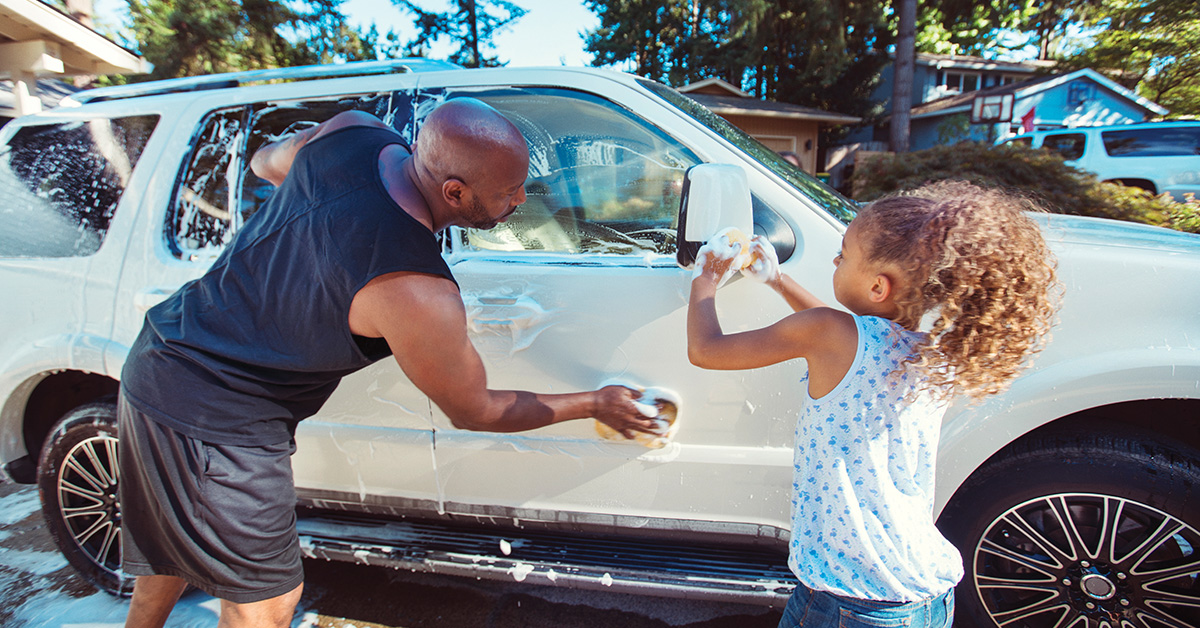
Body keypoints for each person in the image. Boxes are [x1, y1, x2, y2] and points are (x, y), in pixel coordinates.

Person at [118, 99, 660, 628]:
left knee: (170, 555)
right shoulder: (414, 290)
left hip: (160, 354)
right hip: (216, 418)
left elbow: (268, 160)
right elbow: (477, 410)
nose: (522, 199)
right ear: (454, 192)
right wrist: (593, 402)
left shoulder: (351, 132)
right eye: (508, 192)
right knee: (267, 601)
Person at [686, 181, 1058, 628]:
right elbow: (847, 329)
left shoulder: (830, 335)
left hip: (852, 600)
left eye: (843, 255)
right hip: (921, 595)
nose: (835, 260)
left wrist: (705, 277)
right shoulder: (931, 355)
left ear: (879, 286)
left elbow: (706, 350)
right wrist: (779, 281)